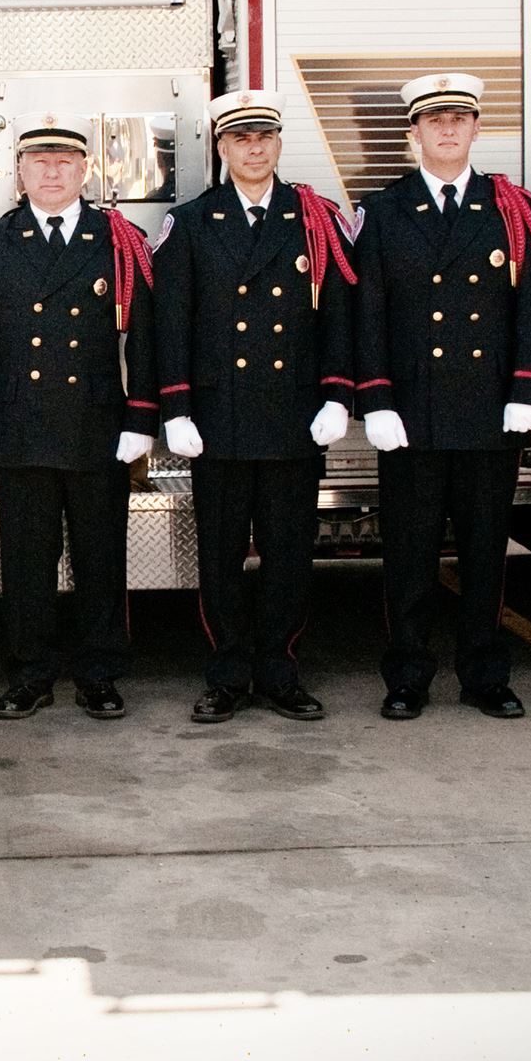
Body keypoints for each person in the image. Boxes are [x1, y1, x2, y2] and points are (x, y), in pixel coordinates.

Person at [353, 72, 531, 721]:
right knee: (408, 556)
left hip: (487, 411)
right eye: (433, 120)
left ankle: (485, 674)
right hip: (411, 415)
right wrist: (375, 398)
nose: (446, 129)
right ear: (413, 132)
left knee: (485, 554)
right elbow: (368, 312)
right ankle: (408, 674)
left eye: (458, 119)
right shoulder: (383, 211)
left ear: (475, 128)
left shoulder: (509, 208)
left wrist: (529, 386)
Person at [152, 90, 357, 722]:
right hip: (220, 419)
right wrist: (176, 408)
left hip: (293, 418)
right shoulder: (191, 222)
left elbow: (339, 315)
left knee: (289, 556)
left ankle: (280, 670)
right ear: (222, 147)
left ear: (278, 143)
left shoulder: (314, 217)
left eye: (264, 136)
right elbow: (171, 322)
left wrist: (337, 394)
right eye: (241, 138)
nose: (254, 148)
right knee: (219, 558)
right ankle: (227, 675)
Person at [0, 117, 159, 720]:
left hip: (96, 422)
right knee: (27, 561)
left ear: (85, 170)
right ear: (20, 172)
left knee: (102, 558)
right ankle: (30, 673)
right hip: (21, 423)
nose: (52, 171)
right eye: (39, 161)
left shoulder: (118, 238)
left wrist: (141, 418)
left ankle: (100, 673)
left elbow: (144, 336)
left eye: (65, 161)